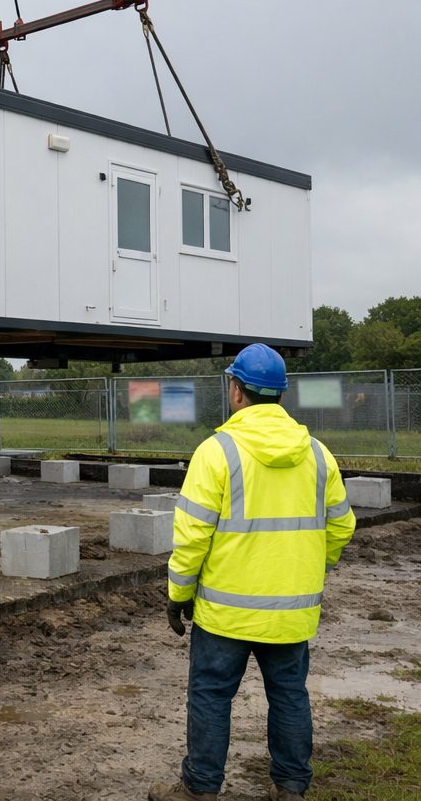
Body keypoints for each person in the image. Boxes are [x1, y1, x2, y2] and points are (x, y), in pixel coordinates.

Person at [148, 343, 356, 801]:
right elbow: (342, 525)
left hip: (224, 613)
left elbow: (192, 537)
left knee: (210, 696)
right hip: (291, 612)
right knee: (289, 696)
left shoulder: (216, 452)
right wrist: (311, 568)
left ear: (236, 391)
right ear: (281, 394)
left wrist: (178, 595)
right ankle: (291, 788)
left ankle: (200, 790)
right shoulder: (318, 455)